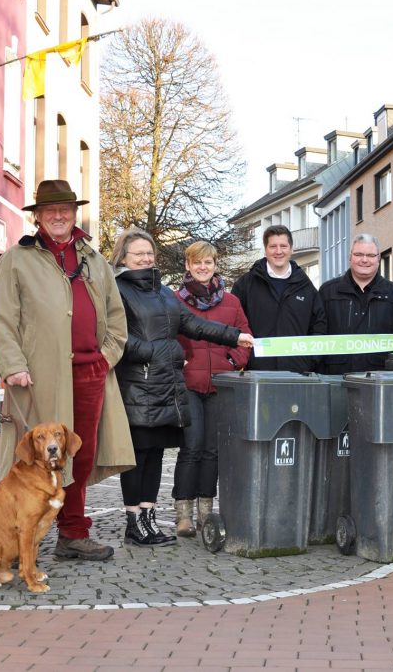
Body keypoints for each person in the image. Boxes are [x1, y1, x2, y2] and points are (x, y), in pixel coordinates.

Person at [0, 179, 134, 561]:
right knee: (33, 457)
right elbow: (3, 319)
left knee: (78, 456)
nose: (58, 216)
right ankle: (17, 537)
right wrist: (14, 365)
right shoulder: (15, 260)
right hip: (37, 376)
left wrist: (106, 357)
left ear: (74, 214)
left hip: (90, 372)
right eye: (50, 210)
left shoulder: (95, 259)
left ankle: (72, 535)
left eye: (65, 210)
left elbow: (117, 318)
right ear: (37, 216)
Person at [112, 228, 253, 546]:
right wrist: (160, 352)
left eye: (150, 253)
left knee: (157, 453)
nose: (147, 258)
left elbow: (191, 324)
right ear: (123, 258)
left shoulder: (162, 292)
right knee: (138, 455)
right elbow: (117, 338)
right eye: (139, 254)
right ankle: (134, 522)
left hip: (165, 386)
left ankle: (148, 518)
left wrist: (233, 336)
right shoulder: (117, 290)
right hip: (137, 386)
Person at [174, 240, 253, 538]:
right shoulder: (175, 300)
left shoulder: (231, 302)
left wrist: (233, 360)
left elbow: (245, 338)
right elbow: (170, 335)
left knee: (212, 450)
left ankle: (206, 509)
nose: (203, 267)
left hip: (221, 383)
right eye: (197, 262)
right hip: (189, 384)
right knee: (191, 447)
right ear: (188, 265)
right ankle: (183, 512)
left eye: (208, 262)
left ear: (215, 265)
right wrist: (180, 360)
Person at [231, 224, 326, 372]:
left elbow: (319, 327)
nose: (278, 251)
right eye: (273, 246)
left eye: (283, 246)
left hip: (298, 373)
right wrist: (245, 359)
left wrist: (309, 361)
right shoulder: (245, 285)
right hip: (257, 372)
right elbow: (233, 325)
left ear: (291, 249)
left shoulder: (306, 287)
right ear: (265, 250)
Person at [318, 233, 393, 374]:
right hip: (335, 377)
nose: (364, 260)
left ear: (378, 258)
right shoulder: (327, 292)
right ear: (350, 257)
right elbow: (318, 335)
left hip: (381, 379)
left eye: (370, 255)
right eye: (359, 254)